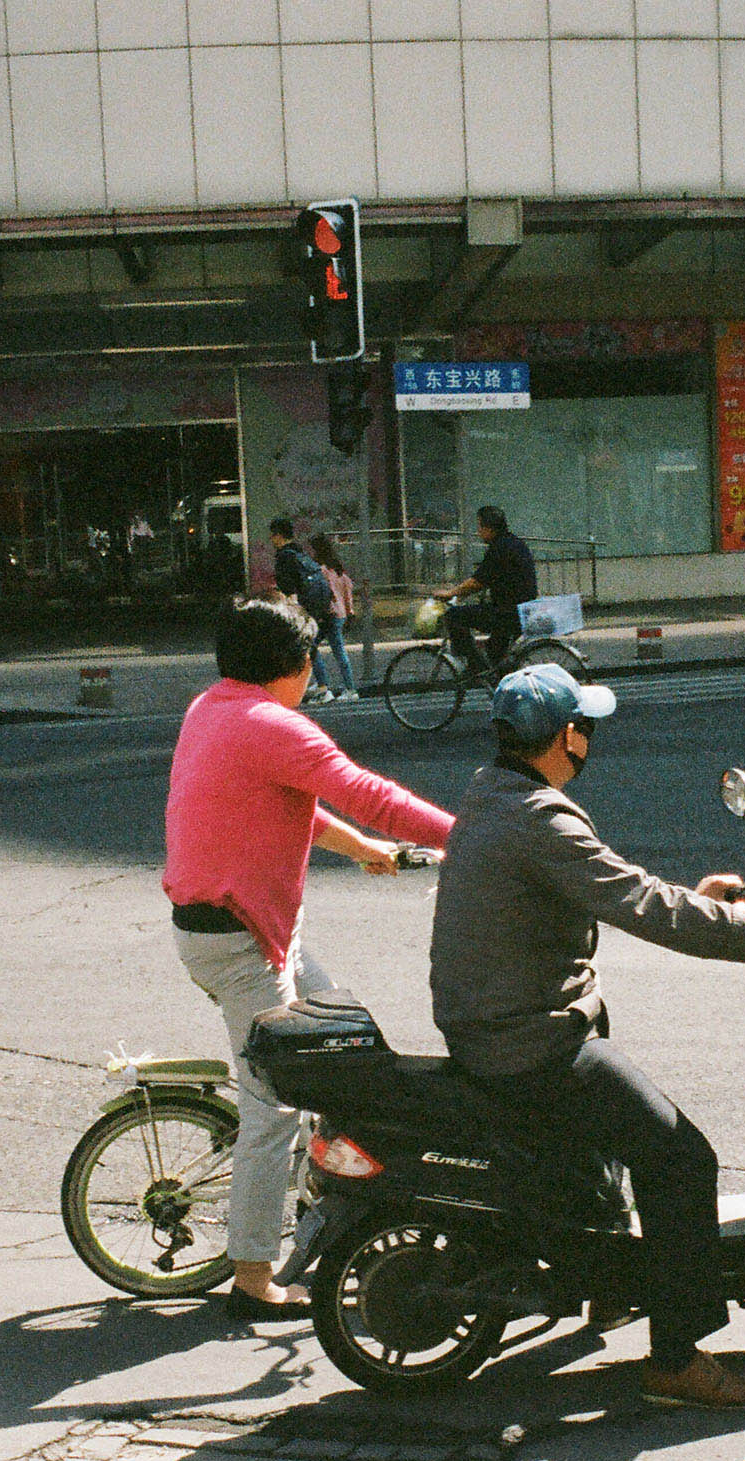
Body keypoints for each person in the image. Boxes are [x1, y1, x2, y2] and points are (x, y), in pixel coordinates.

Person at [429, 664, 745, 1410]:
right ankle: (677, 1359)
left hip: (496, 1024)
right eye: (585, 725)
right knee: (682, 1159)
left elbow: (610, 884)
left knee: (615, 1141)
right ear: (566, 736)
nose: (589, 738)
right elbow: (641, 906)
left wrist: (707, 899)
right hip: (531, 1044)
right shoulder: (541, 817)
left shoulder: (494, 793)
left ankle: (617, 1287)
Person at [165, 599, 454, 1320]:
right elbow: (368, 794)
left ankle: (330, 1186)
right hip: (241, 942)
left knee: (343, 1033)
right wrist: (473, 832)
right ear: (292, 668)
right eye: (309, 664)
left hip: (242, 929)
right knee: (275, 1109)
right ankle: (253, 1277)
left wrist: (363, 851)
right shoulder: (273, 724)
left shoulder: (214, 708)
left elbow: (299, 805)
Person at [430, 504, 539, 675]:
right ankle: (502, 685)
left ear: (489, 528)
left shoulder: (499, 549)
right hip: (521, 610)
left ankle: (473, 664)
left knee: (454, 615)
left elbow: (477, 582)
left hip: (507, 613)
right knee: (494, 656)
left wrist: (450, 593)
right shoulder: (515, 543)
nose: (478, 531)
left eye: (480, 526)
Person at [266, 517, 342, 705]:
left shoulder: (284, 556)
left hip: (302, 607)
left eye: (273, 535)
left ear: (279, 535)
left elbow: (290, 590)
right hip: (316, 606)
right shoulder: (300, 552)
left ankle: (323, 689)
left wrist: (290, 613)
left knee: (305, 646)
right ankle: (320, 684)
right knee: (310, 645)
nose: (271, 539)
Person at [307, 531, 358, 702]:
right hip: (340, 614)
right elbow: (348, 589)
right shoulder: (338, 568)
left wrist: (320, 613)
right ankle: (327, 684)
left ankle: (331, 686)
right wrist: (350, 612)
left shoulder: (321, 570)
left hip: (328, 615)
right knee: (334, 650)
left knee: (314, 646)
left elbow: (325, 594)